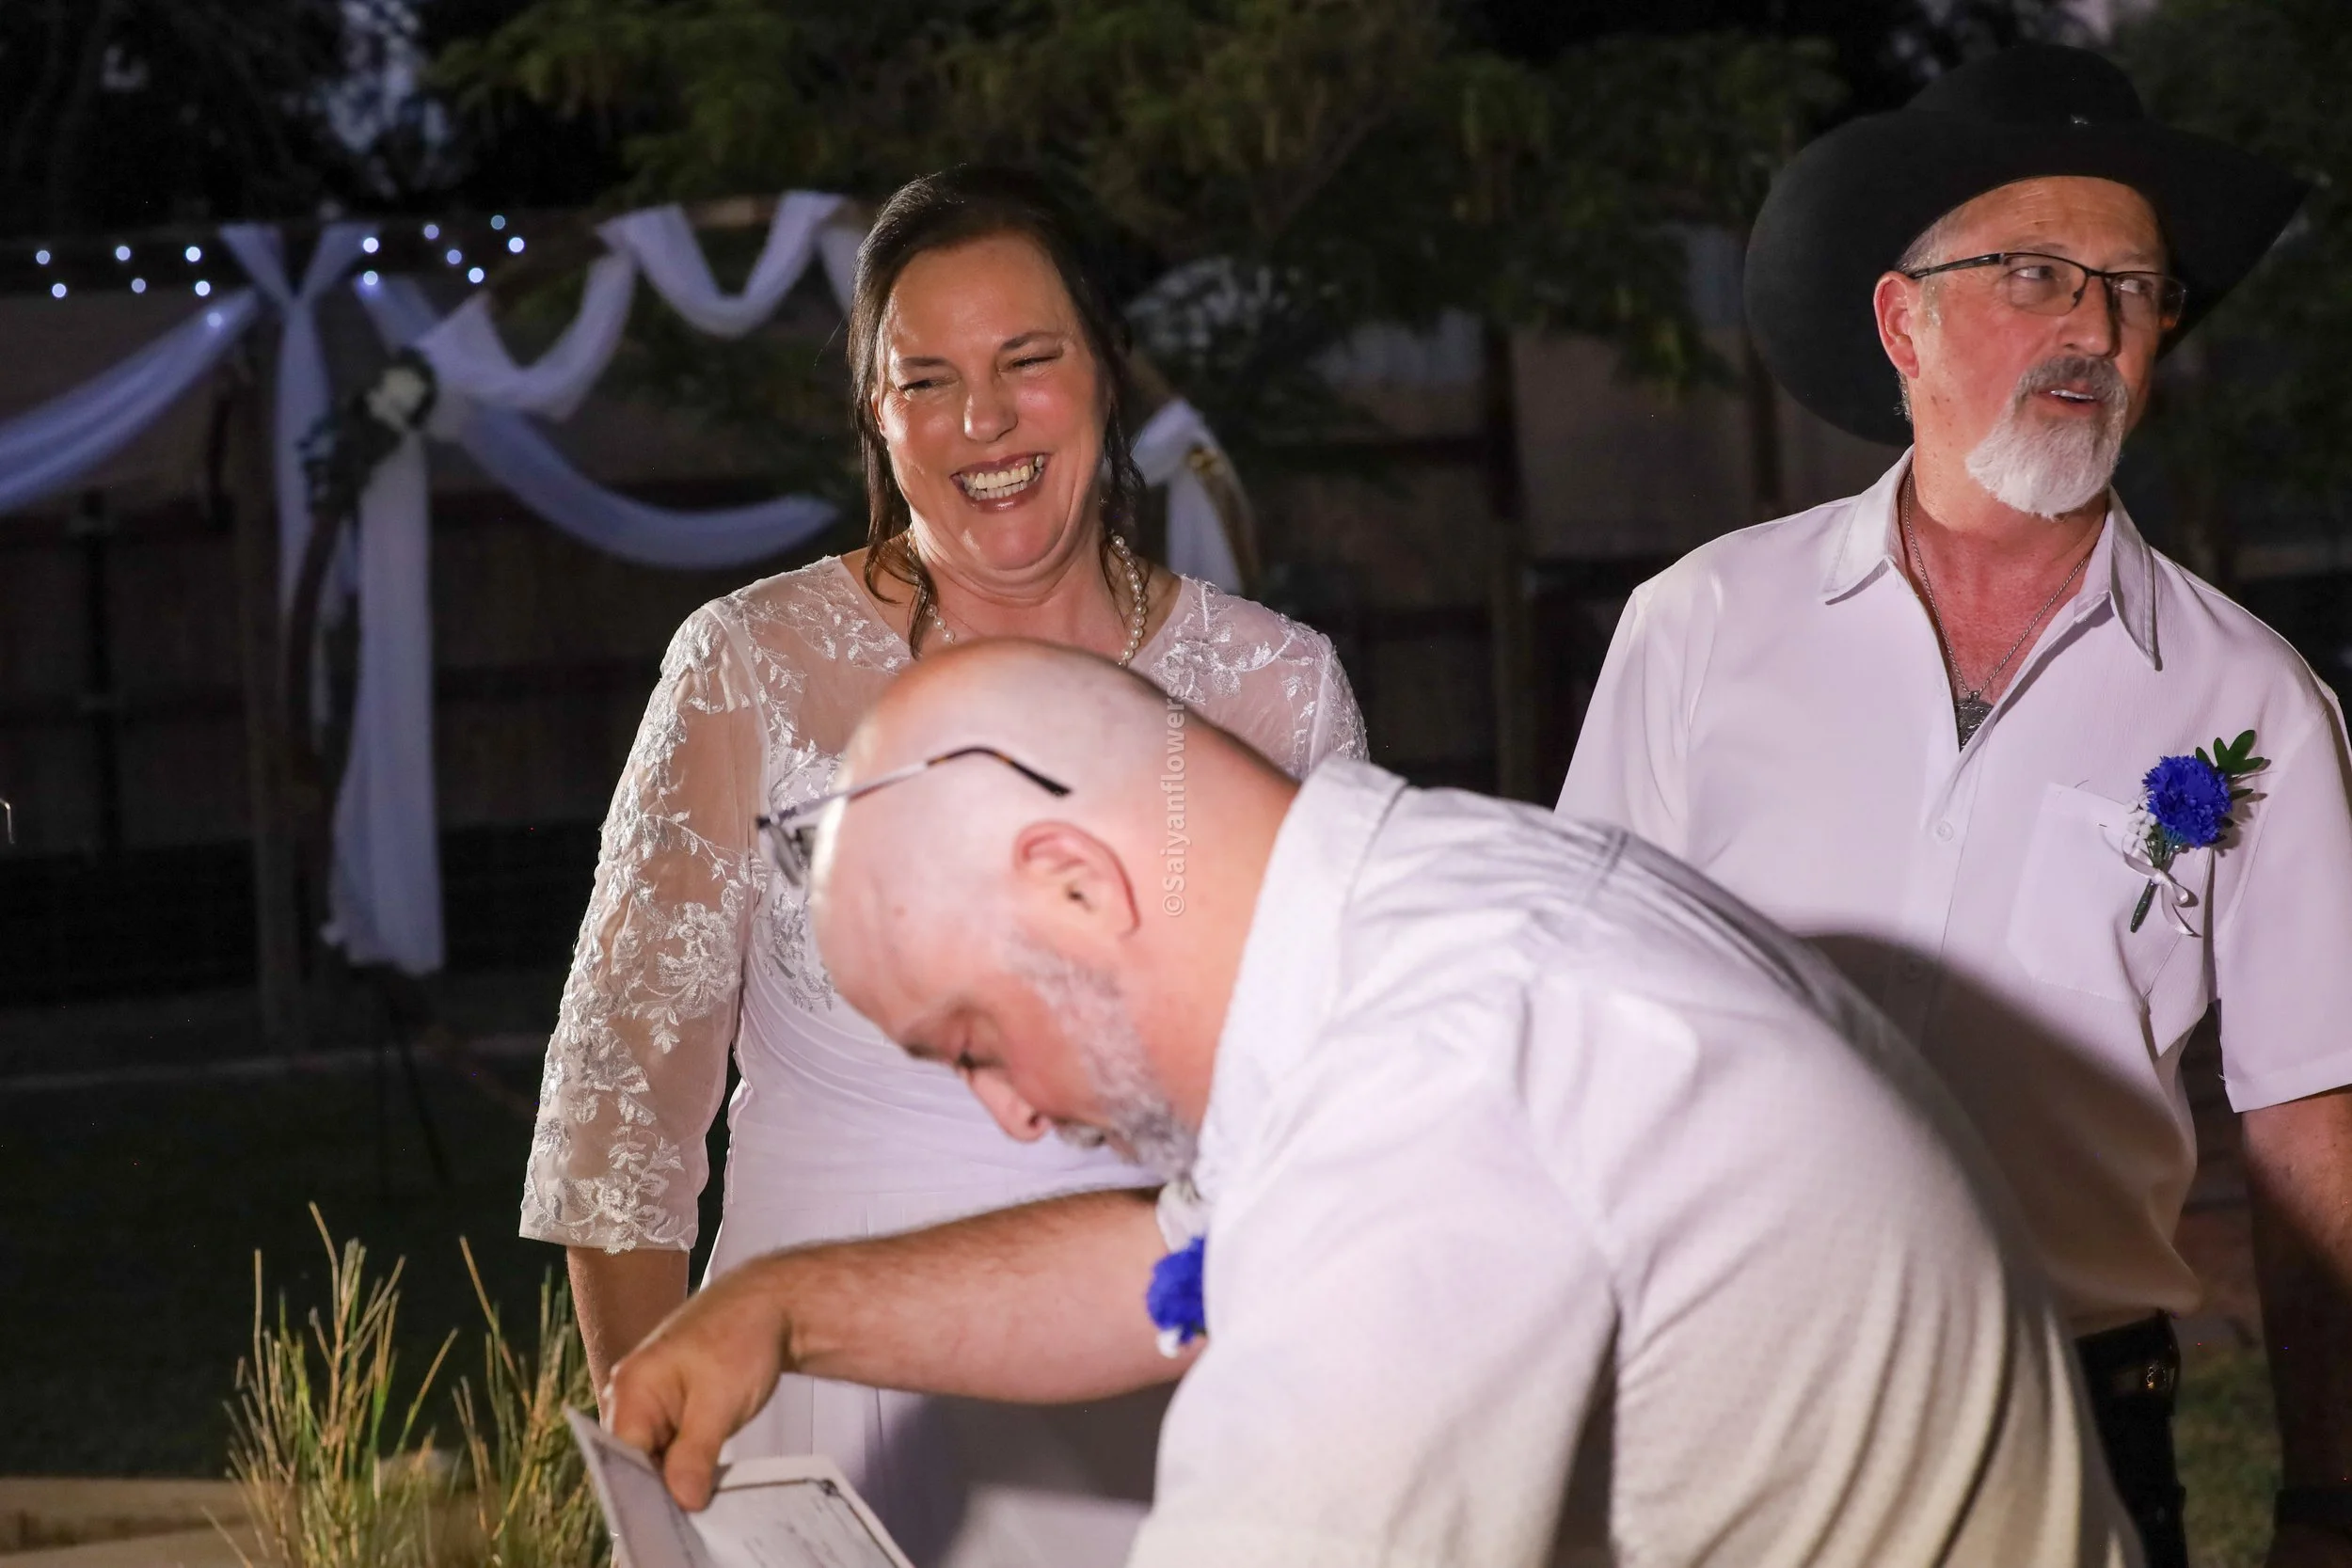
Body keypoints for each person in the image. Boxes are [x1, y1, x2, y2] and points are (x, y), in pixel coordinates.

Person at [602, 639, 2136, 1568]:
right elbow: (1178, 1271)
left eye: (975, 1041)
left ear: (1074, 883)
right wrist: (787, 1308)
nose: (1007, 1115)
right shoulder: (1406, 912)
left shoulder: (1440, 1079)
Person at [1560, 43, 2352, 1568]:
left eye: (2135, 290)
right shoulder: (1701, 627)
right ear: (1900, 321)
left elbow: (2314, 1125)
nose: (2095, 328)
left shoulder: (2255, 705)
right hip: (1725, 1408)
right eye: (2036, 273)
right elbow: (1581, 1021)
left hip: (2073, 1427)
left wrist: (2329, 1495)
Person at [519, 166, 1366, 1560]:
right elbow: (623, 1118)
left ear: (1105, 371)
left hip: (1168, 1407)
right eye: (928, 381)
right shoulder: (747, 667)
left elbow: (1343, 1119)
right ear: (876, 413)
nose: (984, 420)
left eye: (1028, 361)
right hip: (823, 1412)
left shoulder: (1277, 688)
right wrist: (659, 1482)